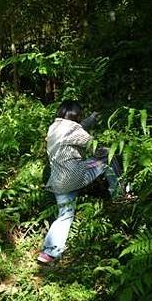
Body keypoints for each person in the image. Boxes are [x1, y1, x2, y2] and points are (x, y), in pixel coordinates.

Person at [37, 100, 122, 265]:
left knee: (65, 216)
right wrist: (113, 148)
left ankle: (48, 253)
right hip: (74, 175)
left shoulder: (54, 127)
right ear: (76, 115)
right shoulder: (73, 129)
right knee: (108, 156)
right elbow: (94, 146)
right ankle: (120, 193)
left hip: (58, 181)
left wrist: (91, 119)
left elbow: (78, 130)